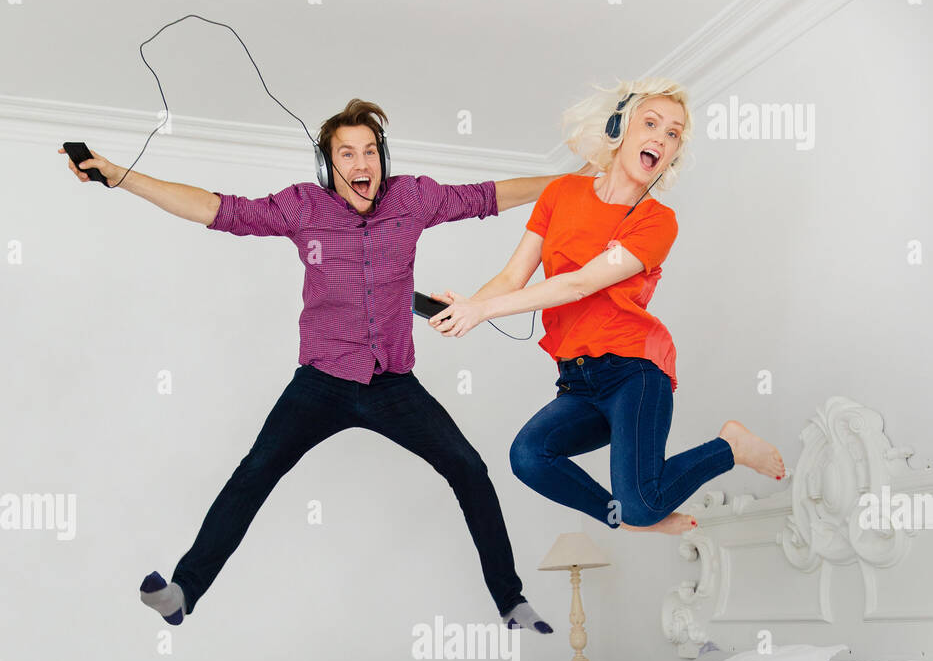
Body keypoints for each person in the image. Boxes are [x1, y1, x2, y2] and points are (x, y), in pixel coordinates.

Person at [60, 99, 589, 632]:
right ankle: (182, 592)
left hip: (394, 385)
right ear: (326, 165)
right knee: (255, 471)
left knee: (470, 471)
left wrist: (570, 182)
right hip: (321, 384)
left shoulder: (414, 198)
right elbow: (212, 208)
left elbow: (490, 197)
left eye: (369, 153)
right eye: (346, 154)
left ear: (382, 158)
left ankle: (510, 601)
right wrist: (119, 175)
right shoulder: (300, 208)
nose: (361, 165)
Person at [428, 78, 785, 536]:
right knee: (529, 456)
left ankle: (729, 447)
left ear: (673, 154)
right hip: (577, 379)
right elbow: (513, 276)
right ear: (621, 127)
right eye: (651, 123)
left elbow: (578, 284)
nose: (661, 136)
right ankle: (622, 516)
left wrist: (483, 312)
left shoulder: (657, 222)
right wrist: (467, 306)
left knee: (642, 503)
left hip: (634, 373)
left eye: (673, 134)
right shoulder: (560, 194)